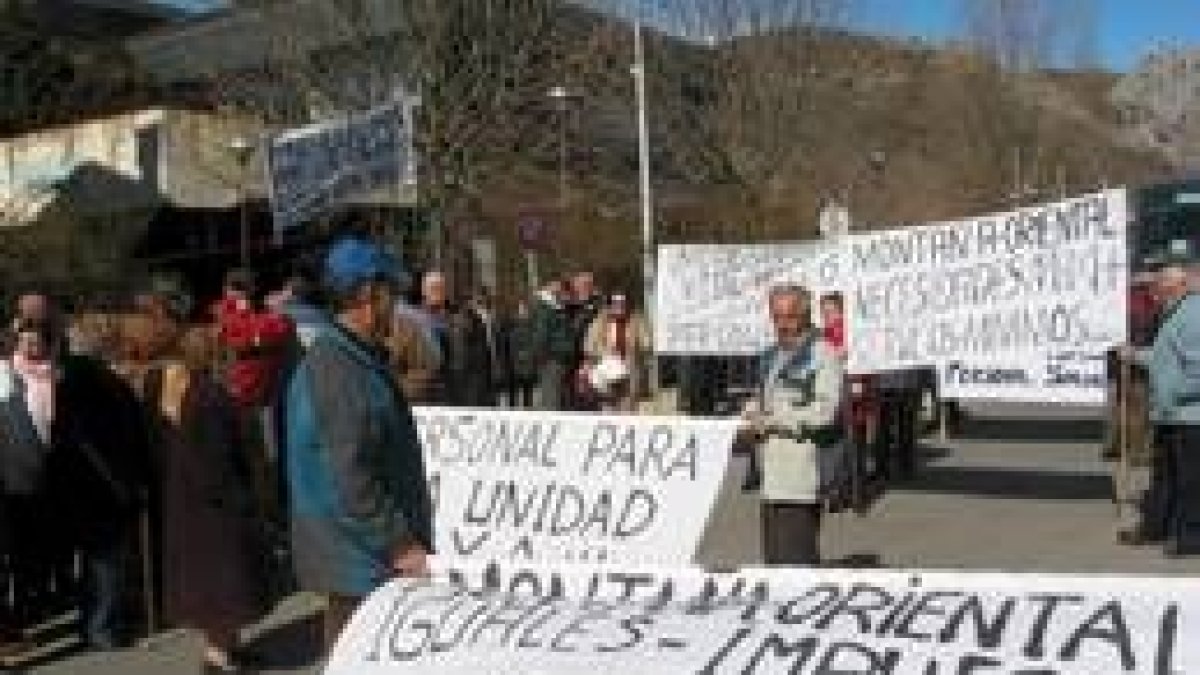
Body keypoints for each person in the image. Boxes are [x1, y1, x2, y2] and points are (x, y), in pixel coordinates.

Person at [284, 238, 434, 652]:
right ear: (369, 295)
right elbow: (350, 474)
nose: (396, 307)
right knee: (361, 652)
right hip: (357, 555)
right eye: (392, 295)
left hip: (356, 553)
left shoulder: (352, 356)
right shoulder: (338, 368)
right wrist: (400, 544)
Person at [1, 292, 151, 651]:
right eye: (26, 335)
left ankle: (93, 626)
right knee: (36, 561)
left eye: (39, 335)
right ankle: (38, 618)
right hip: (22, 486)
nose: (32, 343)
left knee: (82, 558)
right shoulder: (7, 378)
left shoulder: (70, 375)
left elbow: (92, 426)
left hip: (74, 482)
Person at [132, 301, 260, 673]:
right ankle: (218, 656)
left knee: (216, 581)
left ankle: (228, 648)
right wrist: (241, 499)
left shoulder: (185, 390)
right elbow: (219, 457)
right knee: (222, 582)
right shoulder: (211, 397)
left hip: (189, 499)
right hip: (214, 504)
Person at [740, 284, 844, 566]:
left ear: (805, 315)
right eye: (776, 317)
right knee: (774, 566)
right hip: (771, 478)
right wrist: (752, 411)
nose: (782, 325)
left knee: (796, 565)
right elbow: (766, 399)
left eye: (790, 317)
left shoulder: (822, 354)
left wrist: (773, 420)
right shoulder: (771, 355)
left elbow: (826, 412)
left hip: (801, 478)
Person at [1126, 260, 1200, 555]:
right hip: (1171, 414)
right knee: (1164, 475)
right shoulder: (1176, 313)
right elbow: (1163, 358)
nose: (1153, 294)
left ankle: (1190, 536)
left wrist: (1173, 394)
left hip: (1189, 415)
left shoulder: (1193, 315)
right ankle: (1157, 527)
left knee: (1190, 480)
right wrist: (1135, 355)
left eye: (1159, 288)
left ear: (1177, 287)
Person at [582, 293, 651, 413]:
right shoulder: (600, 321)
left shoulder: (636, 320)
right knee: (608, 405)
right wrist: (604, 350)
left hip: (630, 368)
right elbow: (589, 345)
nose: (619, 308)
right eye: (616, 304)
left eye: (622, 304)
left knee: (628, 405)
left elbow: (647, 342)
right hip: (607, 368)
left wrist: (635, 347)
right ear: (610, 306)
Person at [531, 279, 574, 410]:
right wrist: (542, 357)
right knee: (551, 399)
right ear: (550, 286)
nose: (559, 289)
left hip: (559, 358)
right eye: (557, 285)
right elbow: (541, 335)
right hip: (552, 359)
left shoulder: (556, 306)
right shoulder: (545, 308)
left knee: (557, 397)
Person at [503, 297, 540, 409]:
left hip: (528, 363)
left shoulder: (533, 326)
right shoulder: (511, 325)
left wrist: (528, 354)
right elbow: (508, 343)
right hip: (514, 363)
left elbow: (535, 342)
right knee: (513, 394)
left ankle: (526, 413)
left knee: (527, 394)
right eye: (521, 309)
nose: (523, 311)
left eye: (524, 309)